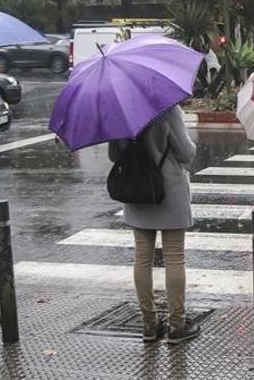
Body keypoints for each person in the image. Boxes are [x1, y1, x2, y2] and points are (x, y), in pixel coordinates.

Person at [108, 106, 200, 344]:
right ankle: (177, 325)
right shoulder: (168, 109)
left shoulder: (121, 111)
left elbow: (113, 155)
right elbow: (187, 153)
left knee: (142, 258)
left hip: (137, 190)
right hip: (168, 190)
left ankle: (149, 324)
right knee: (174, 258)